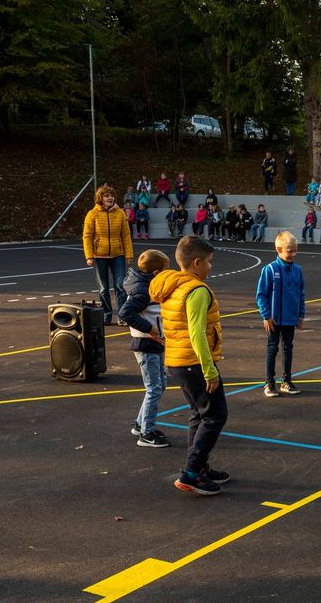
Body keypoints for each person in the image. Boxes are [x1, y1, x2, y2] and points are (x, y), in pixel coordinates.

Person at [149, 236, 230, 496]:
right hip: (194, 362)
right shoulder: (196, 291)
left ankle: (199, 467)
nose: (210, 266)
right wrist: (209, 370)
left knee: (198, 413)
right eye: (209, 262)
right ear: (196, 263)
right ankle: (192, 473)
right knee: (216, 414)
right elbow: (196, 334)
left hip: (178, 360)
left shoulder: (174, 286)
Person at [119, 249, 171, 448]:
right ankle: (146, 434)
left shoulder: (150, 286)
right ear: (157, 273)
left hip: (155, 343)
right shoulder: (142, 291)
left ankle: (141, 424)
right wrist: (149, 329)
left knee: (160, 385)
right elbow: (125, 313)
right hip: (146, 344)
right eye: (166, 270)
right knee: (154, 388)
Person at [256, 231, 306, 398]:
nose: (293, 254)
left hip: (290, 318)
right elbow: (261, 295)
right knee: (272, 348)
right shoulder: (269, 270)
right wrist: (266, 316)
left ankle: (286, 381)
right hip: (274, 320)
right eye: (290, 251)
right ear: (279, 250)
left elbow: (301, 293)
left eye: (295, 251)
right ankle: (269, 382)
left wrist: (301, 315)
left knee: (288, 349)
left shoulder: (297, 270)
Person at [83, 186, 134, 325]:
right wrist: (89, 256)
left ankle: (122, 316)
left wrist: (129, 254)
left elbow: (126, 235)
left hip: (118, 255)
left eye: (112, 195)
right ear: (100, 198)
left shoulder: (120, 213)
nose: (110, 198)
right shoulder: (92, 214)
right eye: (106, 196)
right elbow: (87, 236)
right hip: (99, 256)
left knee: (120, 285)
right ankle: (107, 314)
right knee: (103, 288)